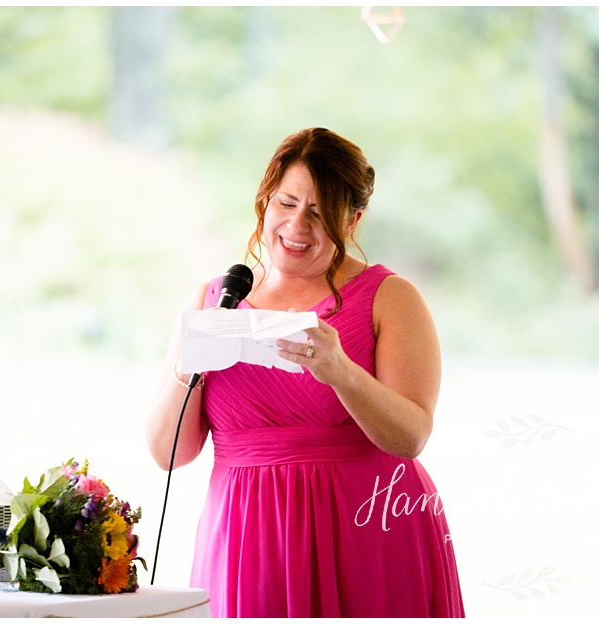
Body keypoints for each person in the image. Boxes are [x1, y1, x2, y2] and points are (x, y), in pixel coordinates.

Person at [143, 127, 463, 616]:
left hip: (368, 531)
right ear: (265, 202)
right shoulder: (212, 301)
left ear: (352, 220)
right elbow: (169, 455)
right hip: (248, 537)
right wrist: (190, 368)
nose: (297, 226)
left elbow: (411, 437)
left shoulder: (391, 298)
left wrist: (342, 373)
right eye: (287, 204)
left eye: (319, 212)